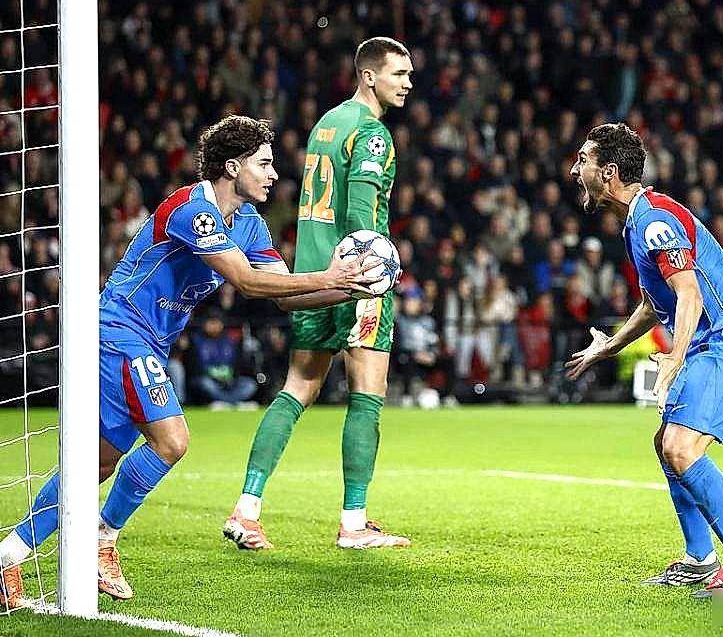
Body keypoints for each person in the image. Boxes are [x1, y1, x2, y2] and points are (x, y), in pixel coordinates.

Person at [0, 115, 381, 607]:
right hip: (118, 331)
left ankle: (7, 556)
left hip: (148, 343)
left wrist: (350, 288)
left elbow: (284, 294)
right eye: (263, 164)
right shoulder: (192, 210)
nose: (273, 174)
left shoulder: (249, 223)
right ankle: (102, 540)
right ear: (232, 166)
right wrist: (329, 276)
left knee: (96, 462)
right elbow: (248, 282)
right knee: (172, 440)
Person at [565, 123, 723, 596]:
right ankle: (700, 558)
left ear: (609, 172)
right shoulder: (637, 221)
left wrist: (674, 357)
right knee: (667, 444)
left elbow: (689, 292)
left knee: (681, 447)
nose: (576, 170)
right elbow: (654, 303)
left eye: (583, 160)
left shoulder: (655, 221)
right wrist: (611, 345)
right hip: (709, 340)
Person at [223, 37, 414, 551]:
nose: (407, 84)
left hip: (311, 276)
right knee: (367, 394)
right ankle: (354, 523)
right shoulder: (372, 133)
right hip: (356, 279)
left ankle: (247, 509)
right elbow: (359, 213)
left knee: (298, 387)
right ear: (369, 76)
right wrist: (369, 270)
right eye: (398, 74)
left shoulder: (327, 124)